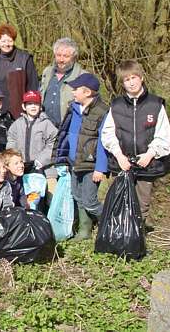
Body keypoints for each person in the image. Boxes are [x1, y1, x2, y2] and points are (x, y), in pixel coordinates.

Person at [101, 60, 170, 230]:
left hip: (147, 164)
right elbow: (108, 134)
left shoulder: (155, 105)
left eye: (134, 78)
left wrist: (150, 154)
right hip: (122, 163)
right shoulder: (116, 105)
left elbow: (164, 135)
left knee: (142, 203)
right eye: (126, 79)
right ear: (122, 83)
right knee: (120, 201)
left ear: (141, 78)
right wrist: (119, 155)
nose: (131, 82)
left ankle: (138, 235)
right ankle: (121, 234)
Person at [54, 74, 109, 241]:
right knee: (77, 196)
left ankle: (110, 224)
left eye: (76, 89)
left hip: (91, 165)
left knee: (90, 200)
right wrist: (62, 158)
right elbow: (65, 135)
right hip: (74, 162)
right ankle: (84, 230)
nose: (73, 92)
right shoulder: (74, 108)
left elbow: (104, 142)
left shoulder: (102, 111)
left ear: (87, 92)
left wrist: (101, 168)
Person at [6, 90, 58, 199]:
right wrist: (14, 160)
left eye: (36, 104)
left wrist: (41, 160)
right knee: (27, 198)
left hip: (44, 168)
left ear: (40, 106)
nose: (33, 107)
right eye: (29, 104)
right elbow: (11, 140)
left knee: (51, 197)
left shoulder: (46, 123)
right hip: (23, 167)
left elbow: (54, 143)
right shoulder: (17, 124)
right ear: (24, 106)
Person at [0, 23, 38, 118]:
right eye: (3, 41)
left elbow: (33, 87)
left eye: (10, 41)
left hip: (19, 113)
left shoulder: (25, 59)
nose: (6, 44)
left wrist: (31, 109)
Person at [40, 37, 88, 127]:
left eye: (66, 56)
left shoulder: (83, 76)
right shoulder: (47, 72)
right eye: (58, 55)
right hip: (45, 127)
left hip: (69, 128)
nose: (61, 60)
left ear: (74, 57)